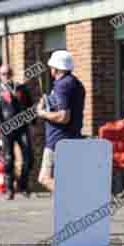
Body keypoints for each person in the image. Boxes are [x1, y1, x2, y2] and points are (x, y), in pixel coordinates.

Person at [36, 50, 86, 192]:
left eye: (51, 67)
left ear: (56, 68)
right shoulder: (77, 83)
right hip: (73, 138)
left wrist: (42, 113)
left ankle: (73, 196)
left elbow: (64, 117)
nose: (50, 70)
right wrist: (49, 102)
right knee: (66, 178)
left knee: (44, 178)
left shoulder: (62, 85)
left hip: (57, 140)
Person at [0, 63, 35, 200]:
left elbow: (30, 107)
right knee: (8, 159)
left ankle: (22, 185)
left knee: (29, 156)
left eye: (8, 74)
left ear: (12, 74)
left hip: (22, 127)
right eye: (3, 74)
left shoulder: (21, 88)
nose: (6, 76)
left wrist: (32, 123)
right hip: (6, 129)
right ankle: (9, 189)